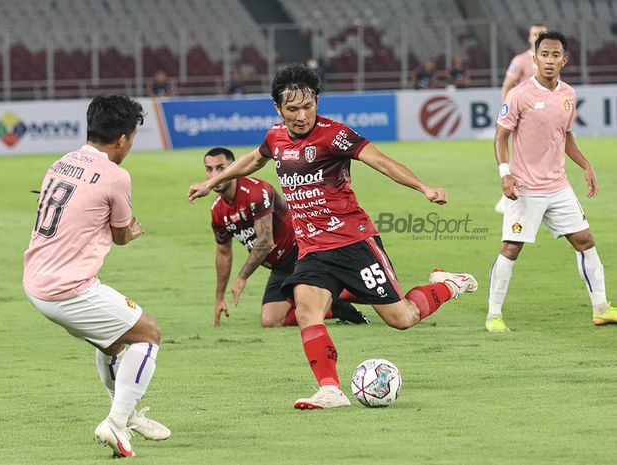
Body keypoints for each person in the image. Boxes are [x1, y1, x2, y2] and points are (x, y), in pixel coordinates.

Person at [188, 64, 478, 409]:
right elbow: (254, 159)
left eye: (308, 106)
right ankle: (330, 389)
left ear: (317, 102)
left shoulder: (334, 135)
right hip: (311, 250)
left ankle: (450, 283)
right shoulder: (275, 137)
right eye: (292, 109)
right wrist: (210, 184)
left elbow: (381, 161)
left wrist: (423, 187)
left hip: (354, 243)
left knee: (403, 318)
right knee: (308, 311)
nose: (301, 115)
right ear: (278, 109)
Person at [23, 95, 170, 458]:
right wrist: (132, 230)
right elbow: (120, 234)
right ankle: (117, 422)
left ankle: (127, 413)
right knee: (148, 334)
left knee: (113, 343)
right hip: (67, 289)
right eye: (133, 137)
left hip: (36, 280)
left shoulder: (62, 162)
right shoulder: (116, 176)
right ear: (122, 138)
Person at [487, 30, 617, 333]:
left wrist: (585, 165)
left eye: (555, 55)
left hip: (558, 187)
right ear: (534, 59)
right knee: (511, 247)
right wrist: (505, 173)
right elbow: (501, 136)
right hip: (525, 188)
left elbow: (566, 135)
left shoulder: (568, 95)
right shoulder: (519, 94)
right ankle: (493, 314)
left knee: (585, 241)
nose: (549, 60)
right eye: (544, 55)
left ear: (564, 60)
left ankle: (601, 309)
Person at [204, 147, 369, 328]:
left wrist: (242, 277)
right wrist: (219, 297)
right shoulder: (217, 210)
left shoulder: (256, 192)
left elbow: (265, 242)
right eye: (209, 169)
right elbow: (223, 253)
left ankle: (348, 291)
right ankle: (335, 306)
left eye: (221, 168)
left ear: (234, 167)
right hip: (280, 266)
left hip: (301, 253)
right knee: (270, 321)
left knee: (312, 297)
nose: (214, 175)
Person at [495, 23, 548, 214]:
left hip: (543, 117)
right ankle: (508, 195)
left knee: (541, 154)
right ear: (529, 37)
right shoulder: (520, 60)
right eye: (535, 34)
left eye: (542, 33)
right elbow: (507, 85)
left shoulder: (548, 60)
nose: (538, 36)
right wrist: (506, 110)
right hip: (523, 115)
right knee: (526, 155)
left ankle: (522, 195)